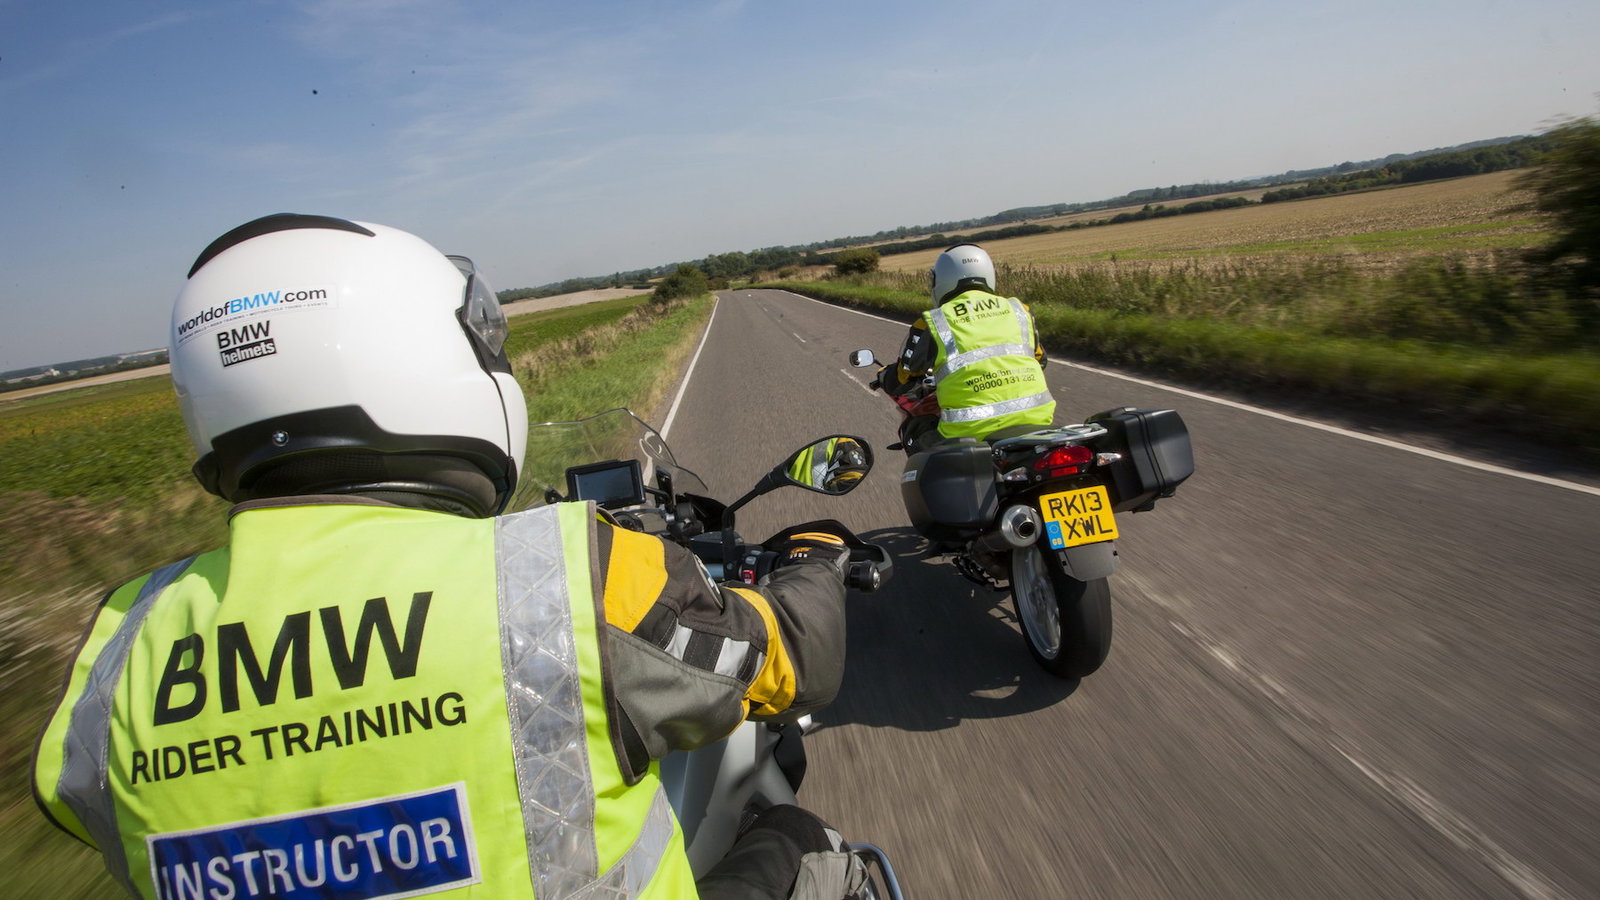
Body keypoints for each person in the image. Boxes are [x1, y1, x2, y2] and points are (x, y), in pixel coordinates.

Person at [32, 214, 860, 899]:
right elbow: (794, 660)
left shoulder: (118, 654)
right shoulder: (566, 574)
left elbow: (84, 810)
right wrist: (816, 554)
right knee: (808, 845)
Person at [878, 243, 1055, 451]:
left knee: (916, 430)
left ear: (940, 280)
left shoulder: (934, 322)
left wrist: (885, 376)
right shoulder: (1019, 310)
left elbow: (903, 378)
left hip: (968, 432)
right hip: (1039, 420)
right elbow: (1040, 360)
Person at [786, 437, 870, 492]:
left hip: (790, 466)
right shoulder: (856, 475)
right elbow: (831, 496)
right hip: (795, 481)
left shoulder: (847, 441)